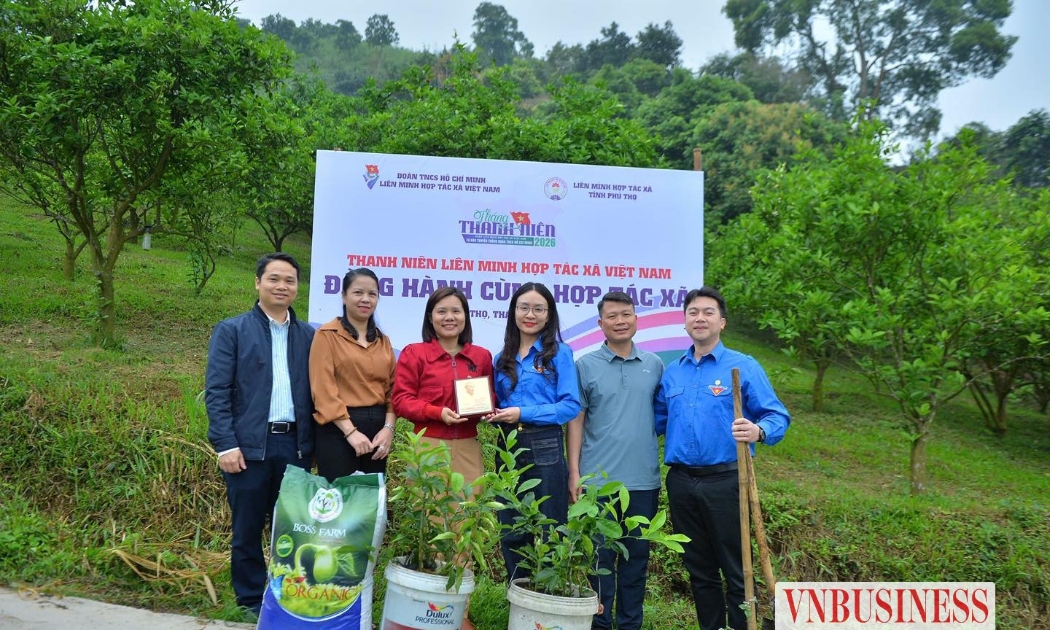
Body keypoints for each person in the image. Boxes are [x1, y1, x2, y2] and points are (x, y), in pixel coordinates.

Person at [654, 287, 790, 630]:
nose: (700, 318)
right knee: (699, 569)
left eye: (708, 312)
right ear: (684, 322)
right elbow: (654, 421)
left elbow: (777, 416)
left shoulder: (743, 366)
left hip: (728, 481)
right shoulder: (673, 372)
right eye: (693, 312)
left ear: (722, 322)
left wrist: (758, 431)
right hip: (682, 482)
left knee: (737, 566)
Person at [205, 252, 316, 615]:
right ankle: (251, 599)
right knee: (248, 528)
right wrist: (226, 444)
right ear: (257, 283)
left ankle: (286, 596)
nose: (282, 286)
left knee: (290, 528)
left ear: (298, 288)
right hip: (249, 447)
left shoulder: (309, 336)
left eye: (289, 280)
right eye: (274, 279)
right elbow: (217, 391)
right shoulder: (232, 330)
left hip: (295, 445)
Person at [391, 286, 494, 630]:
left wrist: (486, 409)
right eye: (442, 312)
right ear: (430, 318)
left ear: (466, 317)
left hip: (467, 446)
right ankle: (423, 608)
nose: (450, 318)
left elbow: (485, 398)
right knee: (429, 522)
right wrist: (437, 412)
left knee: (466, 523)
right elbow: (402, 400)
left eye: (456, 311)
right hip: (428, 447)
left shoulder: (480, 356)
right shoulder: (415, 353)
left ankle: (458, 611)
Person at [568, 291, 664, 630]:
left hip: (642, 482)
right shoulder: (585, 366)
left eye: (626, 314)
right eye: (612, 316)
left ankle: (629, 625)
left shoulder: (654, 365)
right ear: (600, 324)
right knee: (599, 563)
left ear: (637, 319)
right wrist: (575, 472)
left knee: (636, 563)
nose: (620, 321)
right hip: (597, 484)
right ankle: (598, 625)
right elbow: (576, 421)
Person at [486, 282, 581, 583]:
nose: (530, 314)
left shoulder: (560, 354)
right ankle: (520, 596)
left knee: (549, 525)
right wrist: (488, 412)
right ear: (513, 311)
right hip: (508, 444)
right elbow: (494, 401)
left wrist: (522, 413)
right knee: (512, 526)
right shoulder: (502, 357)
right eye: (524, 307)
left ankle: (549, 598)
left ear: (548, 314)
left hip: (545, 445)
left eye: (538, 309)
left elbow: (570, 406)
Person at [309, 268, 396, 482]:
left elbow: (394, 390)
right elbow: (323, 391)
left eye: (372, 294)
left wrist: (388, 429)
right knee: (338, 504)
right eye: (358, 293)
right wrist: (350, 432)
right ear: (344, 296)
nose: (365, 299)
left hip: (377, 430)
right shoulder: (326, 335)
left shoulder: (383, 341)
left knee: (369, 506)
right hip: (338, 429)